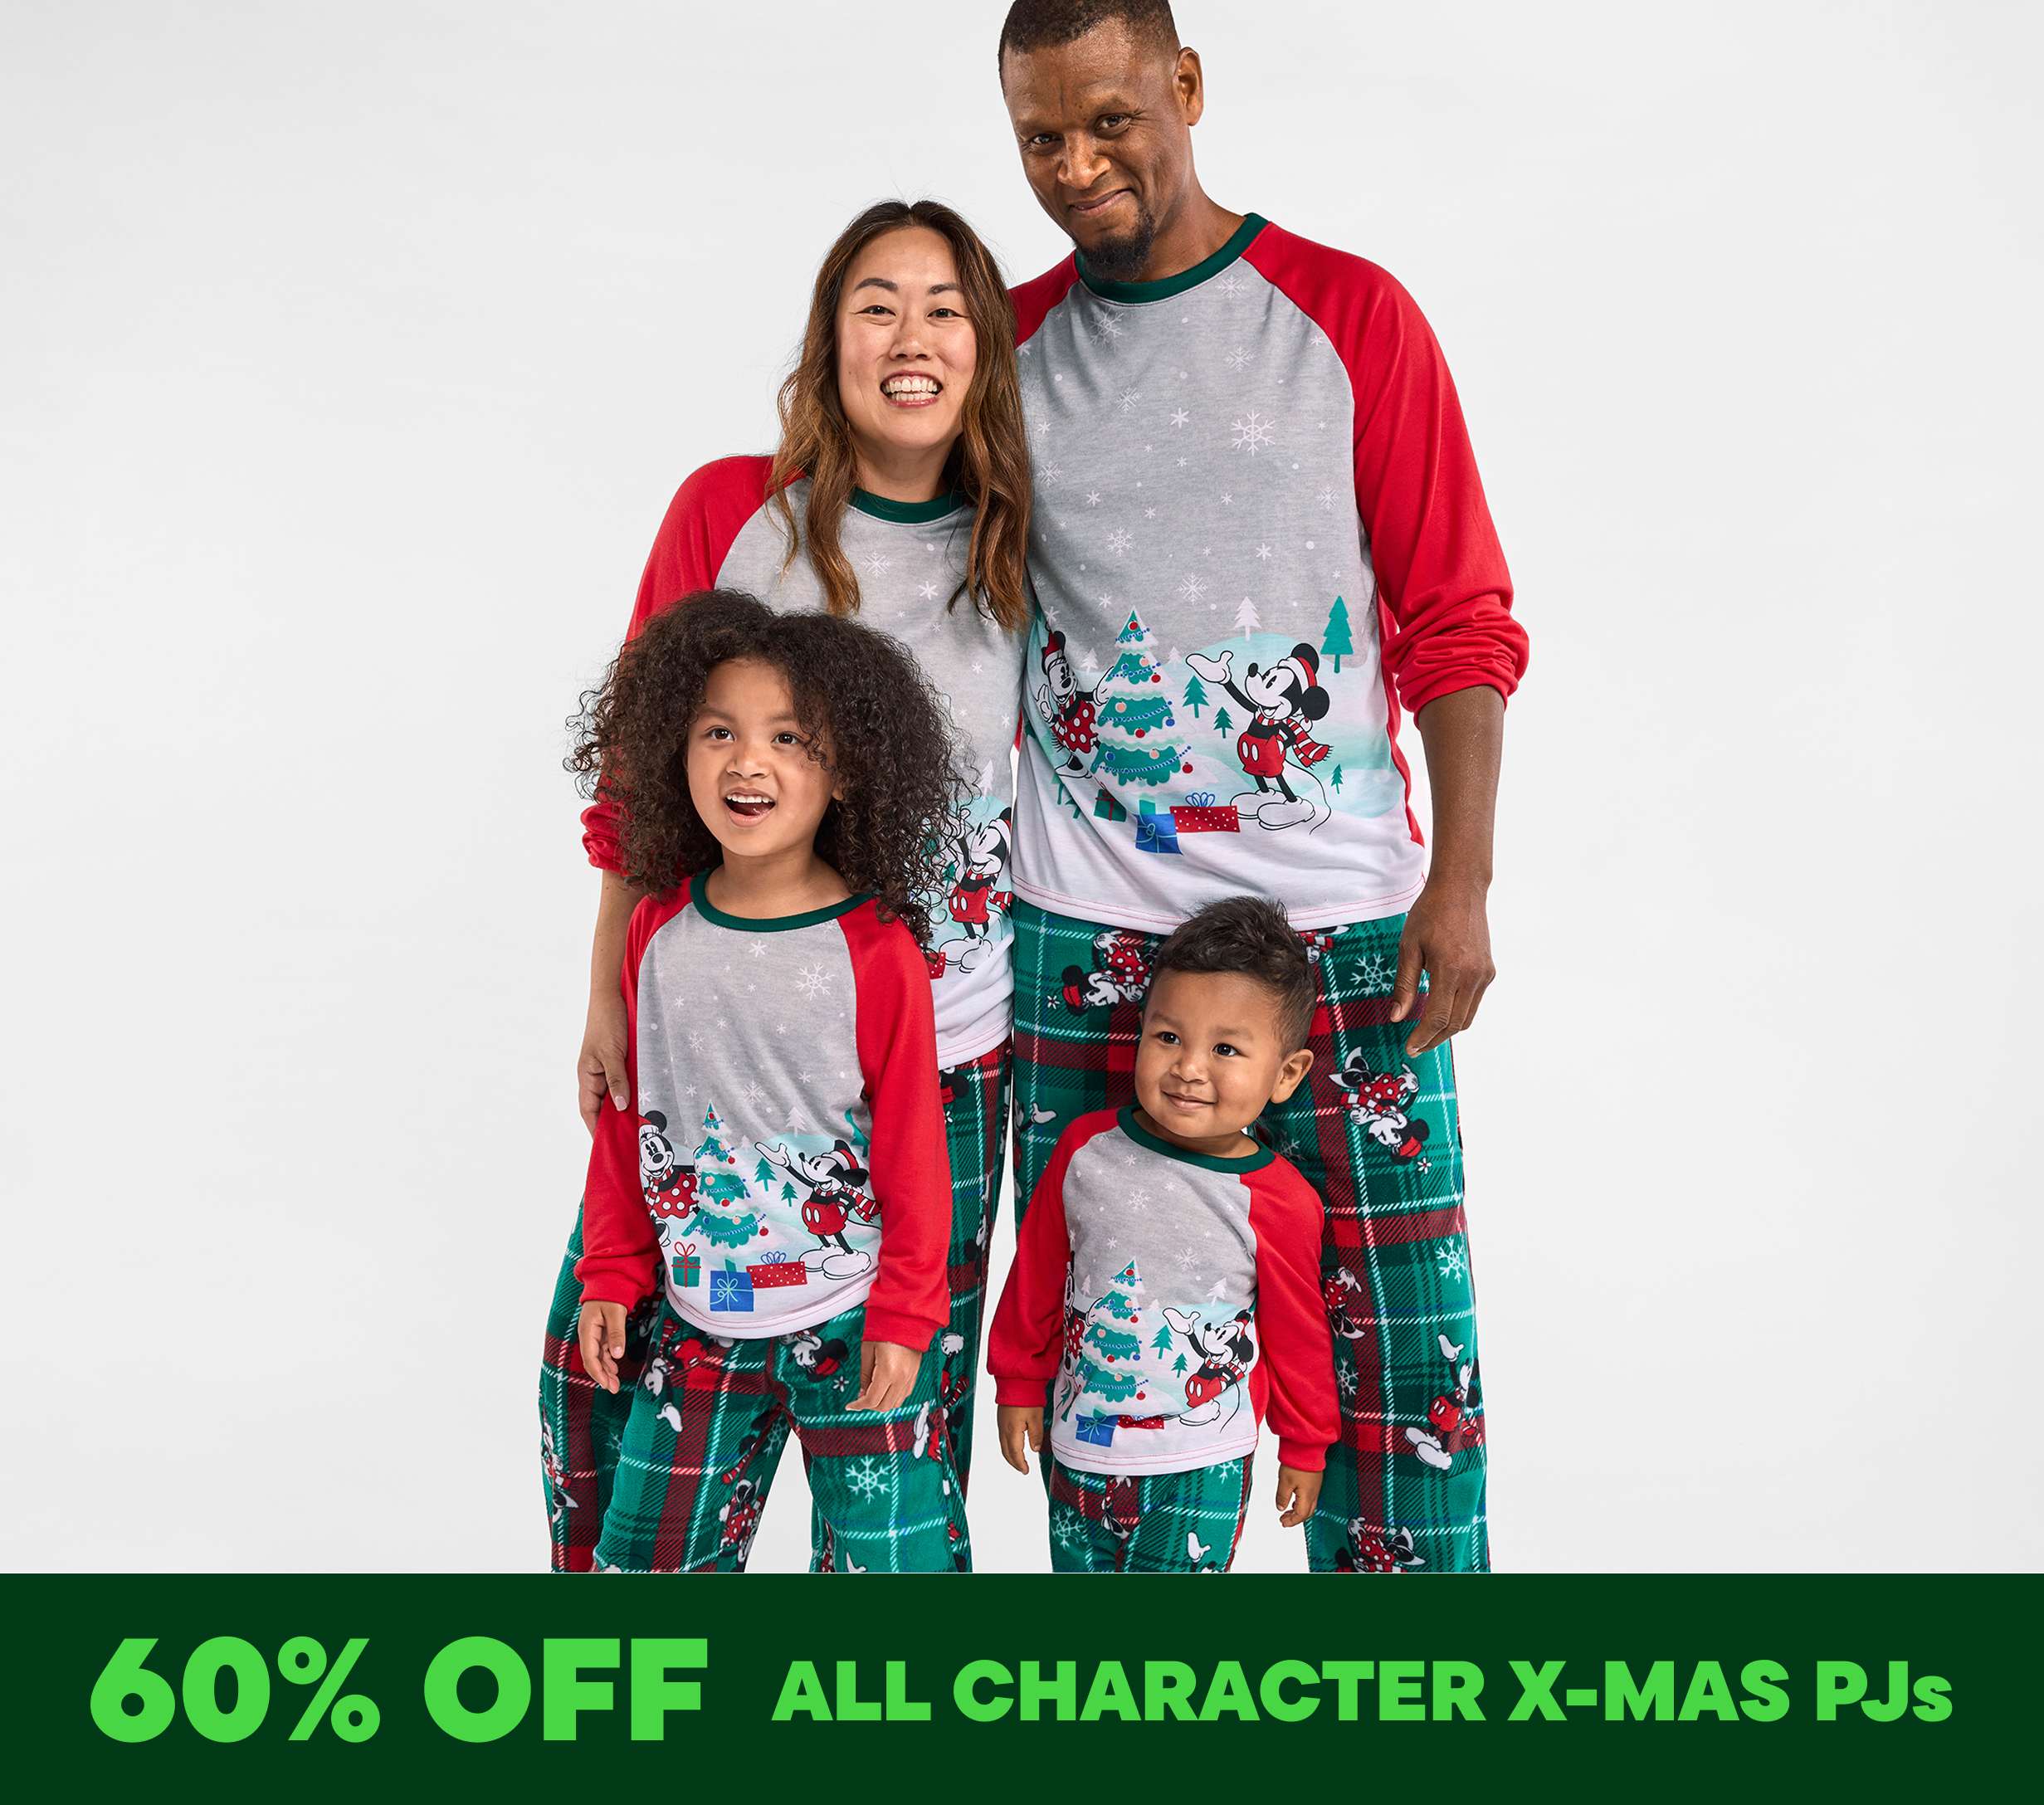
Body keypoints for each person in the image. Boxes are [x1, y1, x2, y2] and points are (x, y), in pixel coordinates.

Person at [996, 0, 1530, 1572]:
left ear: (1185, 85)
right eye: (1041, 136)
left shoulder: (1348, 317)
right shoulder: (1002, 352)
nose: (1080, 163)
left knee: (1399, 1378)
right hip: (1086, 943)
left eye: (1110, 119)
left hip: (1348, 932)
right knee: (1124, 1390)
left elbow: (1455, 615)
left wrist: (1464, 879)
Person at [540, 200, 1033, 1570]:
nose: (909, 337)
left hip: (935, 1055)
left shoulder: (1021, 550)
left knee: (889, 1445)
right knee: (612, 1377)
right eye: (875, 304)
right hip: (708, 1027)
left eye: (944, 308)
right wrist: (606, 997)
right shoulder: (729, 512)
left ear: (987, 349)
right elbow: (637, 788)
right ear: (829, 340)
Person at [564, 591, 969, 1573]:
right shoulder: (656, 929)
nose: (748, 761)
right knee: (648, 1569)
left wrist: (909, 1316)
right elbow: (630, 1123)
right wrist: (611, 1272)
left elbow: (916, 1148)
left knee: (898, 1570)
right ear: (678, 751)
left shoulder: (875, 952)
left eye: (789, 738)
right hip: (698, 1324)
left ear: (844, 772)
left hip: (849, 1316)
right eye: (719, 732)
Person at [988, 896, 1335, 1573]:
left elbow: (1298, 1332)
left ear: (1285, 1073)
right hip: (1081, 1443)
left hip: (1203, 1461)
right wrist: (1018, 1383)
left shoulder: (1280, 1200)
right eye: (1168, 1036)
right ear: (1140, 1032)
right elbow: (1034, 1275)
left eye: (1226, 1048)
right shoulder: (1085, 1150)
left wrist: (1304, 1444)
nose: (1189, 1067)